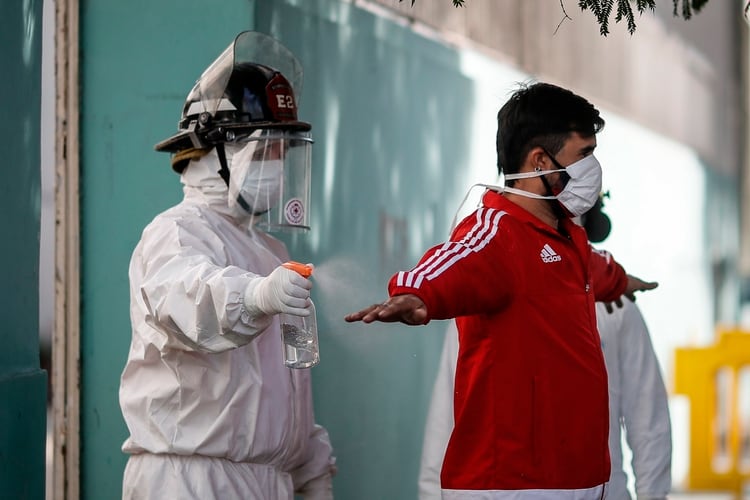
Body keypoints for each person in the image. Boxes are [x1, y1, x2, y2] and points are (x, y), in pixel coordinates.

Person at [345, 82, 657, 498]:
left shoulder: (568, 241)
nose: (593, 169)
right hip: (509, 486)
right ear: (540, 161)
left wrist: (622, 280)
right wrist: (416, 291)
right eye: (584, 155)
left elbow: (592, 271)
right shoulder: (496, 234)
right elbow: (456, 259)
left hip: (575, 482)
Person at [118, 32, 335, 500]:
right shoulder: (176, 233)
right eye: (267, 149)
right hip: (191, 481)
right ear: (217, 152)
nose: (278, 163)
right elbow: (191, 298)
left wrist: (311, 471)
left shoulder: (273, 255)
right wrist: (256, 296)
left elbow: (292, 384)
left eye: (285, 151)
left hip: (268, 482)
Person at [418, 201, 673, 500]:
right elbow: (445, 419)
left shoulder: (614, 307)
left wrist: (653, 495)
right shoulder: (480, 306)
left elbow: (648, 418)